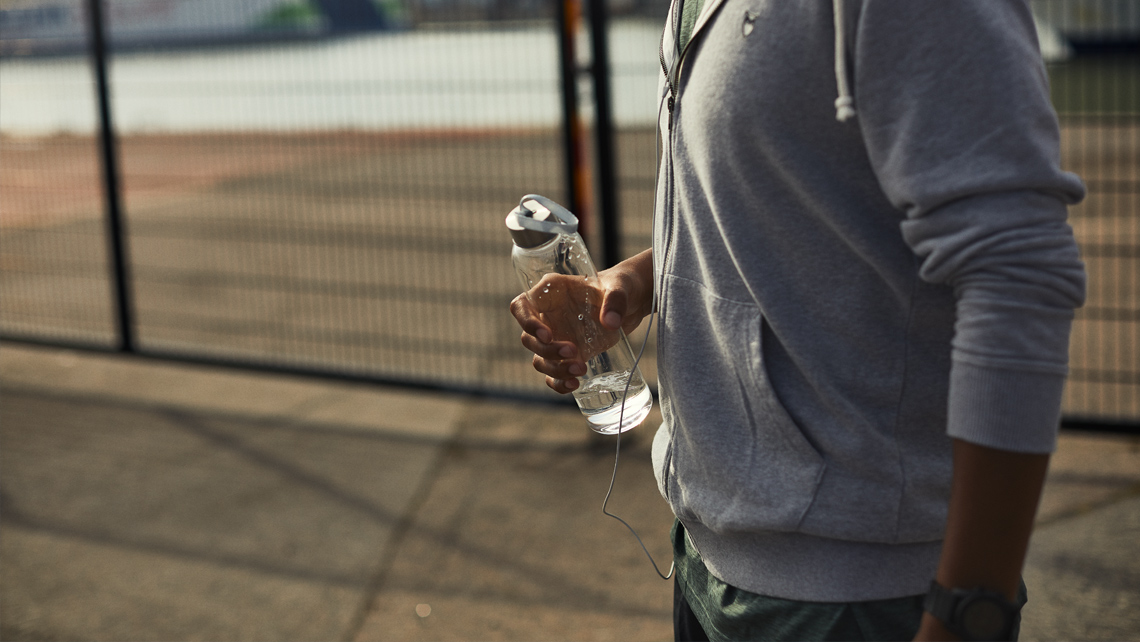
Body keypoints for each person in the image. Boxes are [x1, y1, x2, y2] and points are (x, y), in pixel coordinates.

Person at [510, 0, 1086, 639]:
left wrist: (970, 609)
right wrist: (642, 280)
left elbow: (1017, 276)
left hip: (863, 597)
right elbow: (783, 197)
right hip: (709, 551)